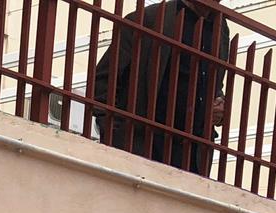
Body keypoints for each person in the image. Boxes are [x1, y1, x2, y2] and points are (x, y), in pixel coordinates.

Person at [87, 0, 231, 177]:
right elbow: (104, 80)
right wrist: (114, 132)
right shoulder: (149, 18)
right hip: (143, 144)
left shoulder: (220, 29)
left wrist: (219, 106)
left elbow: (210, 82)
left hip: (192, 156)